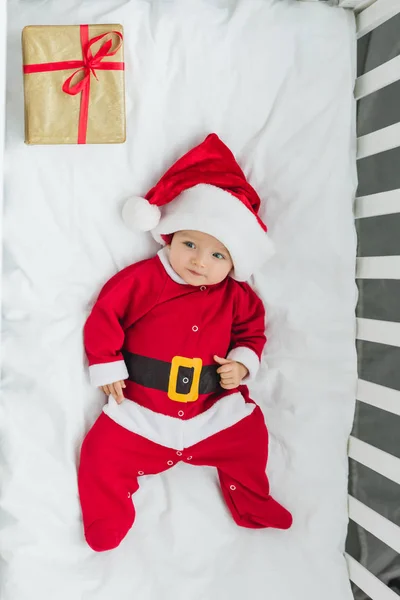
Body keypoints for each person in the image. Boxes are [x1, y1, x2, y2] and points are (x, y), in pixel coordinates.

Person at [78, 133, 292, 552]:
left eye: (218, 255)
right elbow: (105, 315)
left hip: (210, 408)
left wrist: (242, 363)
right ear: (170, 237)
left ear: (235, 262)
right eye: (190, 244)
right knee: (101, 453)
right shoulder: (143, 280)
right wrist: (107, 364)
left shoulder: (238, 297)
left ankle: (251, 500)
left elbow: (252, 332)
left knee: (251, 435)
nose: (199, 261)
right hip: (142, 408)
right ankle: (107, 517)